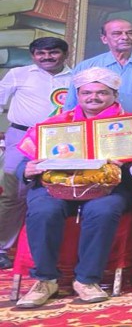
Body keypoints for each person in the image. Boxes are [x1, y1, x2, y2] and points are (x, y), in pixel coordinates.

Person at [15, 68, 132, 308]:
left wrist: (125, 164)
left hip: (107, 189)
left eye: (102, 93)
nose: (94, 97)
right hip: (56, 186)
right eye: (87, 93)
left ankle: (86, 280)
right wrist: (26, 170)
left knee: (102, 211)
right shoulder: (53, 124)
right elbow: (23, 164)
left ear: (115, 95)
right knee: (43, 210)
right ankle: (45, 280)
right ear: (78, 95)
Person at [0, 38, 72, 270]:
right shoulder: (18, 74)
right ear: (33, 55)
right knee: (13, 194)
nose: (47, 57)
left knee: (53, 191)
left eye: (53, 53)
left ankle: (41, 251)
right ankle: (2, 248)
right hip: (21, 138)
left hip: (63, 140)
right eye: (41, 53)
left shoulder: (77, 77)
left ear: (65, 54)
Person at [64, 19, 132, 115]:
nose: (125, 37)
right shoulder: (86, 67)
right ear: (104, 39)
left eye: (130, 33)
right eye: (117, 33)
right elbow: (71, 106)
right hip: (95, 126)